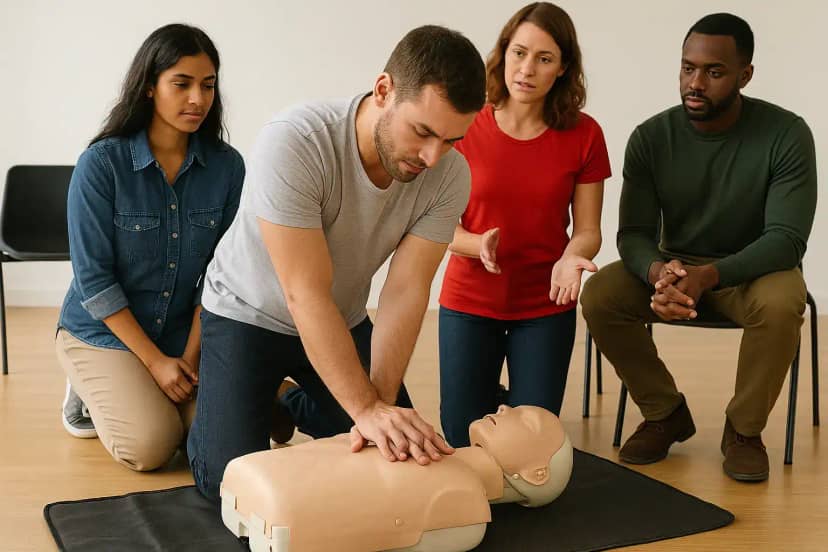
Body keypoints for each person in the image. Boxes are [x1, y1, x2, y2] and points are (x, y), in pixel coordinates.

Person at [187, 25, 487, 501]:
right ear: (384, 90)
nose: (433, 156)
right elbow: (303, 291)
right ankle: (242, 396)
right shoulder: (296, 141)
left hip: (340, 321)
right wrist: (362, 407)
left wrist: (379, 407)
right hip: (247, 315)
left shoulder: (450, 175)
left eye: (451, 140)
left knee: (400, 459)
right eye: (424, 132)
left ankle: (287, 397)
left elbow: (406, 291)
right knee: (227, 484)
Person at [581, 13, 816, 482]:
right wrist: (657, 273)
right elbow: (633, 234)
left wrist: (707, 276)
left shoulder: (786, 134)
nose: (696, 82)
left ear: (744, 75)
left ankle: (744, 431)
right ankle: (664, 411)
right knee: (601, 295)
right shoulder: (651, 138)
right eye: (688, 68)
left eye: (714, 72)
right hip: (675, 268)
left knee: (784, 300)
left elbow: (786, 241)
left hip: (751, 274)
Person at [56, 24, 244, 471]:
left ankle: (148, 390)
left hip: (181, 331)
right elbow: (95, 282)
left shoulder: (228, 167)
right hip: (101, 330)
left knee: (220, 437)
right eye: (181, 84)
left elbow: (221, 276)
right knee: (151, 447)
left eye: (208, 85)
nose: (197, 99)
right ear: (148, 87)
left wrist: (188, 357)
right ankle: (84, 383)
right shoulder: (101, 165)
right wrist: (157, 364)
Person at [437, 2, 610, 446]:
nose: (527, 69)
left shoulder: (585, 134)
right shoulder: (466, 124)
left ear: (563, 68)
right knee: (460, 436)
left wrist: (573, 258)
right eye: (519, 53)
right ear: (502, 54)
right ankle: (490, 397)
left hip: (545, 303)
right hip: (470, 300)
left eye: (544, 58)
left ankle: (505, 399)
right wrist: (477, 245)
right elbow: (433, 222)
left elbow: (589, 229)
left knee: (533, 442)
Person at [220, 405, 573, 552]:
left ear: (536, 474)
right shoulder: (459, 489)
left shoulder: (465, 504)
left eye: (526, 421)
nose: (505, 408)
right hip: (282, 487)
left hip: (292, 507)